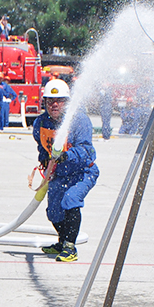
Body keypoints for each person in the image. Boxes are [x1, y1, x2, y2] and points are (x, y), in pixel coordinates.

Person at [33, 79, 99, 262]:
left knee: (70, 200)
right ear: (44, 102)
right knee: (53, 212)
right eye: (50, 100)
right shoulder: (40, 122)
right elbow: (41, 148)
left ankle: (70, 247)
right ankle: (62, 242)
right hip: (59, 173)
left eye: (60, 100)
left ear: (67, 102)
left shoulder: (79, 121)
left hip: (83, 172)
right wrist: (44, 161)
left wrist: (66, 156)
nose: (54, 104)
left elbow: (86, 151)